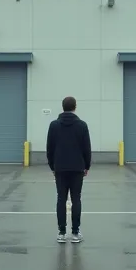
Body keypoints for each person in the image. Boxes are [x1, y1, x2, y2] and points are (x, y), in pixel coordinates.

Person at [46, 95, 91, 243]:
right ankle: (76, 233)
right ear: (75, 107)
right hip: (77, 167)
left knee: (61, 199)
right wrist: (87, 166)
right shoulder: (82, 125)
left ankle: (61, 232)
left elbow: (49, 148)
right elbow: (87, 148)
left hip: (60, 168)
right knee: (76, 198)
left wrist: (52, 166)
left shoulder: (54, 125)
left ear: (62, 107)